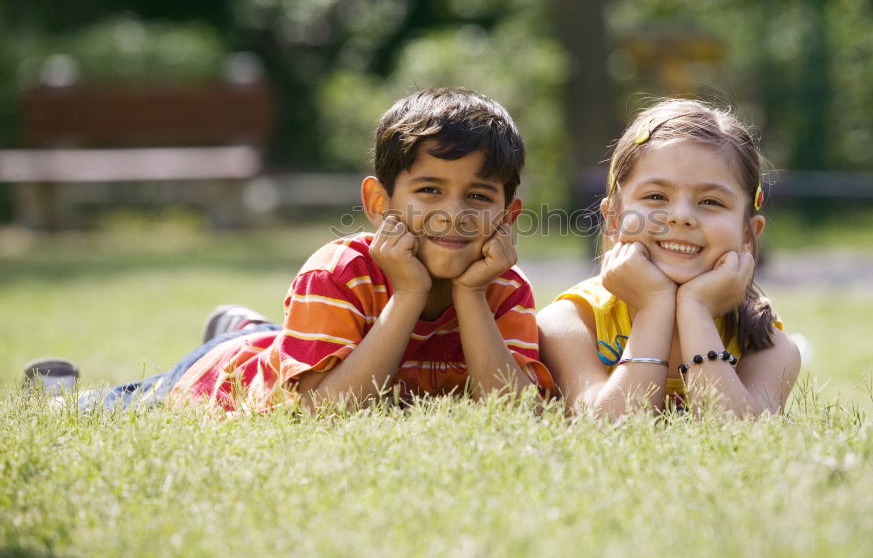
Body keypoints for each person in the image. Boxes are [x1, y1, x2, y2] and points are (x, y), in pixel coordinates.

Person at [24, 87, 553, 414]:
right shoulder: (342, 271)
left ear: (507, 216)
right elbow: (326, 411)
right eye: (430, 189)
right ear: (378, 202)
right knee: (142, 400)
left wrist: (470, 294)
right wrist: (410, 291)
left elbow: (513, 411)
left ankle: (252, 329)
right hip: (232, 376)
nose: (453, 213)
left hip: (305, 345)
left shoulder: (503, 287)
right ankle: (63, 392)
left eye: (479, 197)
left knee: (284, 341)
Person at [537, 99, 800, 418]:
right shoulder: (570, 323)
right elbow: (607, 429)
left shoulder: (766, 343)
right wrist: (654, 306)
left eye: (710, 201)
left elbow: (744, 435)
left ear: (748, 233)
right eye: (656, 197)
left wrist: (697, 310)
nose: (680, 217)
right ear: (614, 219)